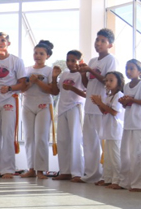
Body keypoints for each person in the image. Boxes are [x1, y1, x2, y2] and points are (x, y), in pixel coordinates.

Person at [0, 32, 27, 179]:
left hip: (10, 100)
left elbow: (23, 84)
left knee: (8, 135)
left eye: (2, 41)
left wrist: (9, 88)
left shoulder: (16, 61)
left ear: (8, 43)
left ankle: (8, 169)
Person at [79, 28, 119, 183]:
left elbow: (109, 81)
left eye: (103, 41)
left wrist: (90, 71)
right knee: (88, 142)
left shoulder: (111, 60)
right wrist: (83, 73)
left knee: (103, 143)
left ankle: (107, 176)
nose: (99, 43)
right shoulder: (92, 61)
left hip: (102, 106)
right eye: (97, 40)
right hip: (89, 105)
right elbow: (87, 84)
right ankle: (90, 174)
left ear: (110, 45)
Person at [20, 40, 58, 179]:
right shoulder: (26, 69)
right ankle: (31, 168)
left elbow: (53, 91)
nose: (37, 56)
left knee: (41, 137)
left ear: (47, 56)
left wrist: (38, 81)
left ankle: (41, 170)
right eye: (35, 53)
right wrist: (30, 82)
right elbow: (22, 88)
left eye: (41, 53)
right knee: (29, 137)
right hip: (28, 104)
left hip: (43, 105)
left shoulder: (49, 70)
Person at [52, 50, 87, 182]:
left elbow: (86, 94)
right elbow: (55, 92)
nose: (70, 63)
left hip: (75, 107)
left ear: (80, 61)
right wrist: (55, 78)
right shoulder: (64, 74)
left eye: (73, 60)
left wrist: (73, 89)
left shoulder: (81, 75)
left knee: (76, 140)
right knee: (62, 140)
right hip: (62, 108)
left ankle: (78, 172)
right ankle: (65, 170)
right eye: (68, 60)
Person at [119, 59, 141, 192]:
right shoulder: (126, 86)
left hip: (139, 123)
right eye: (127, 68)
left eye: (132, 68)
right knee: (125, 153)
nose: (128, 71)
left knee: (138, 154)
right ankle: (126, 182)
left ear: (140, 71)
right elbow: (127, 105)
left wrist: (131, 99)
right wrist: (124, 102)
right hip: (128, 123)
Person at [92, 71, 125, 189]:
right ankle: (108, 178)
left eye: (111, 80)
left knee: (115, 156)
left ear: (119, 83)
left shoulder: (119, 95)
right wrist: (98, 104)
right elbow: (104, 111)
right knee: (108, 156)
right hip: (108, 129)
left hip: (116, 130)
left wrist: (100, 103)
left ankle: (118, 181)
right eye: (106, 80)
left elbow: (114, 112)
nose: (108, 83)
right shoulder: (109, 96)